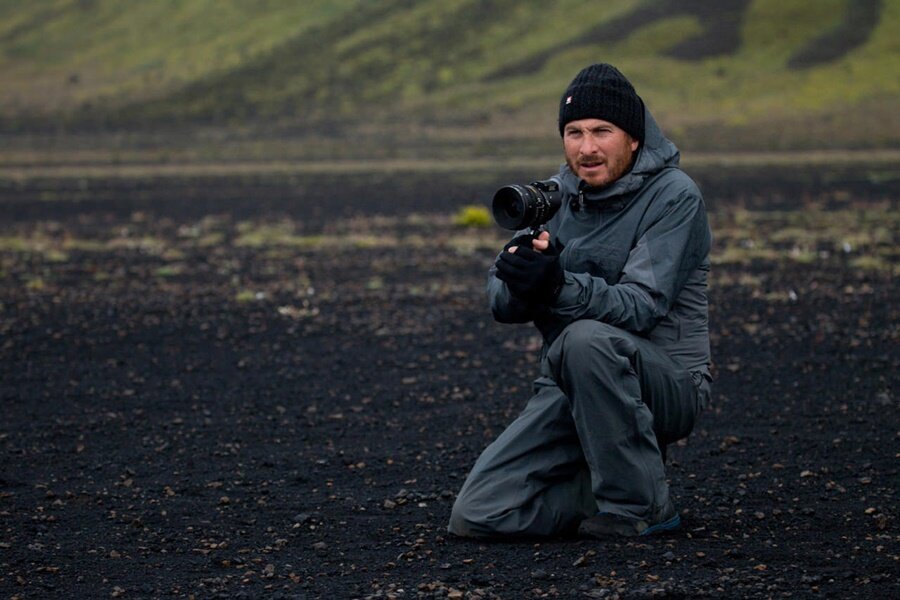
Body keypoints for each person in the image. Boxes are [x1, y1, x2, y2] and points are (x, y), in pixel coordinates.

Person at [448, 63, 712, 539]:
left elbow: (642, 306)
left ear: (634, 137)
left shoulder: (675, 196)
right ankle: (608, 476)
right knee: (478, 516)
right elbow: (500, 302)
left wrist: (556, 286)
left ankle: (643, 507)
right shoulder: (554, 196)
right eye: (574, 132)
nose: (586, 148)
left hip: (666, 381)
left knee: (585, 340)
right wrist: (522, 281)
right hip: (572, 382)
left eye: (601, 131)